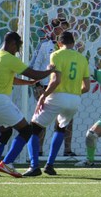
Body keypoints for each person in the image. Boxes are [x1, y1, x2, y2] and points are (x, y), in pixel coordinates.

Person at [0, 31, 56, 178]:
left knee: (5, 132)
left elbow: (9, 79)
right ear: (12, 43)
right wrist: (50, 71)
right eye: (17, 48)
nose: (17, 51)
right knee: (27, 130)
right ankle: (7, 163)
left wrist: (28, 83)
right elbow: (33, 73)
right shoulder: (9, 58)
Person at [23, 31, 90, 176]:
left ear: (59, 43)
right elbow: (86, 87)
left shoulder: (56, 54)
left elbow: (56, 81)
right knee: (61, 128)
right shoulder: (82, 59)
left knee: (33, 128)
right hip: (75, 100)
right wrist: (73, 93)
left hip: (57, 96)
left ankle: (34, 166)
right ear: (73, 43)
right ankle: (50, 165)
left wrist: (43, 96)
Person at [30, 17, 76, 157]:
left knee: (65, 121)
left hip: (63, 90)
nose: (64, 31)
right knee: (41, 121)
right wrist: (37, 84)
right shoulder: (44, 45)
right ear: (55, 29)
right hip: (46, 87)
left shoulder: (71, 50)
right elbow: (35, 66)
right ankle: (39, 150)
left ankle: (67, 150)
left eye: (66, 28)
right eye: (62, 28)